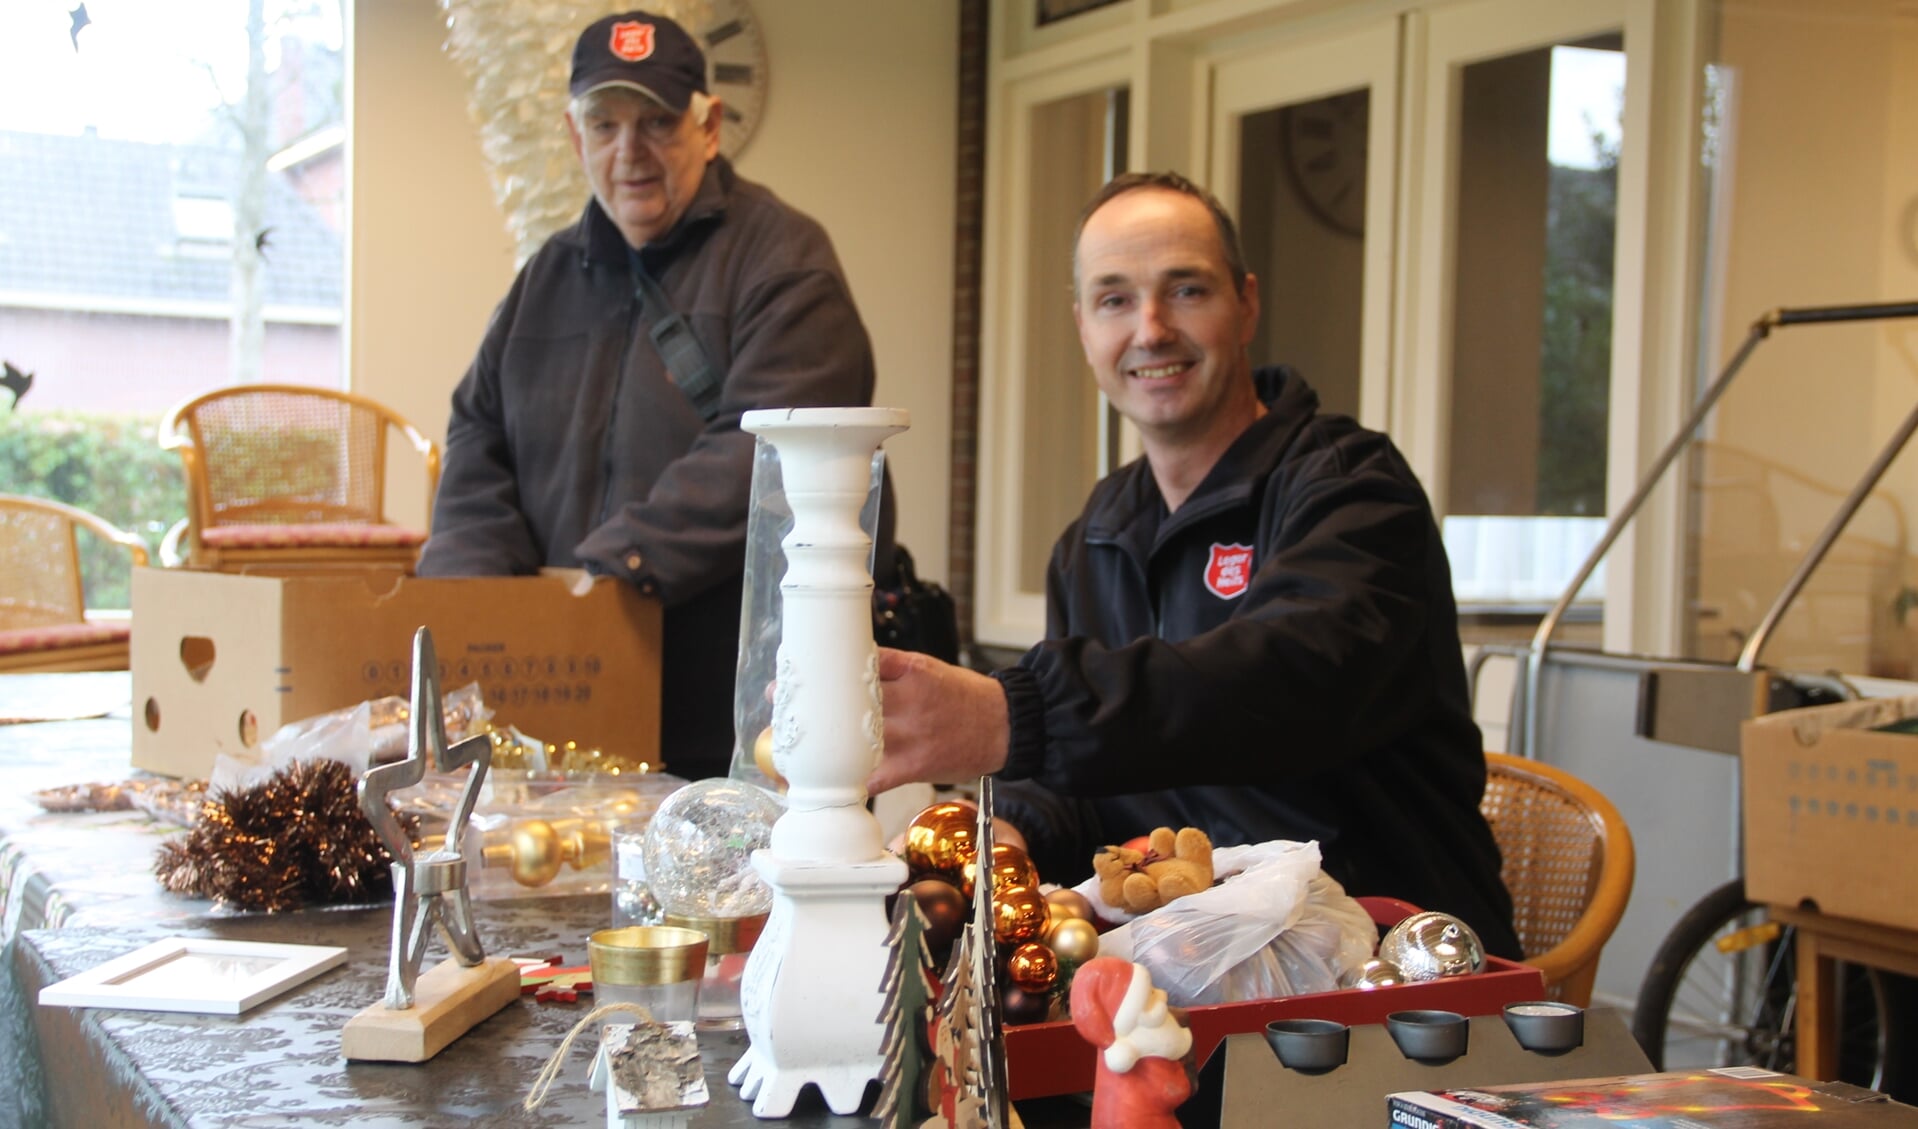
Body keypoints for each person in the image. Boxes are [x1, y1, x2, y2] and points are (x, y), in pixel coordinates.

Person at [870, 171, 1520, 959]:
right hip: (1175, 971)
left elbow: (1285, 683)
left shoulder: (1353, 487)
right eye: (1114, 299)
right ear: (1082, 327)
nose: (1150, 329)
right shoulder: (1095, 538)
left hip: (1382, 973)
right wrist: (1010, 827)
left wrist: (1014, 715)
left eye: (1185, 290)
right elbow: (1090, 788)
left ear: (1245, 304)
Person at [418, 10, 890, 782]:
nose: (628, 152)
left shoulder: (784, 259)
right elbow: (478, 434)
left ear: (710, 127)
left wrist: (604, 578)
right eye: (605, 125)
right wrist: (480, 605)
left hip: (734, 720)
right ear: (577, 140)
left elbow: (770, 448)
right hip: (561, 702)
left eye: (658, 123)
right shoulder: (545, 277)